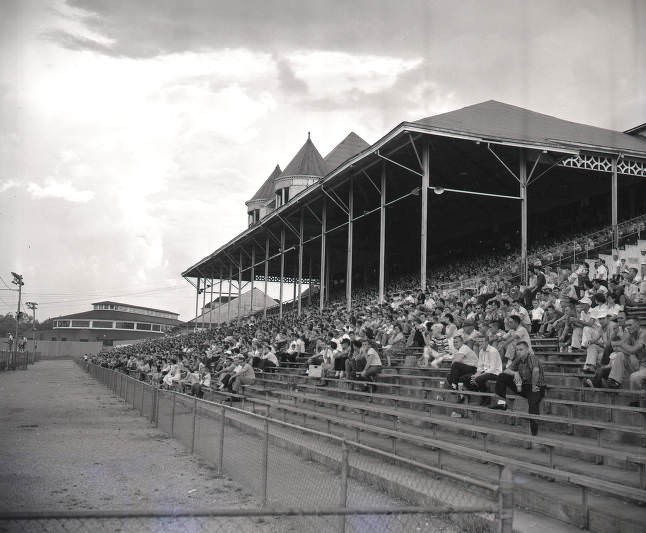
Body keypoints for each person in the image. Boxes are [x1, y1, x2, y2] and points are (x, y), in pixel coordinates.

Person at [490, 341, 546, 436]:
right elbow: (507, 370)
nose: (519, 352)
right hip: (524, 386)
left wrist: (533, 385)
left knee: (533, 404)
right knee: (502, 376)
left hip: (537, 386)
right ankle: (502, 403)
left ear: (527, 350)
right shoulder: (518, 359)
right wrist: (515, 373)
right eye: (517, 350)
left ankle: (534, 432)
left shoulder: (531, 357)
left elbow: (536, 371)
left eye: (521, 349)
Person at [468, 334, 503, 405]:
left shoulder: (492, 351)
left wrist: (478, 376)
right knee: (467, 378)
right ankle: (482, 395)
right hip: (486, 372)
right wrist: (476, 374)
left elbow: (492, 369)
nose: (480, 343)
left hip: (495, 373)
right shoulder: (481, 351)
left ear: (487, 342)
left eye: (482, 341)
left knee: (478, 379)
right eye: (479, 342)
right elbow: (480, 366)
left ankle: (486, 398)